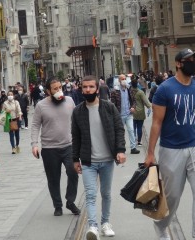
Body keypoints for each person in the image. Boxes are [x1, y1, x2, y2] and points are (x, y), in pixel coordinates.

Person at [144, 48, 195, 240]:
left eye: (194, 60)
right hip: (171, 149)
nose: (193, 63)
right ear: (178, 64)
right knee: (172, 197)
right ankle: (161, 225)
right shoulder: (165, 89)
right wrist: (150, 153)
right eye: (188, 60)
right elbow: (156, 122)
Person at [72, 75, 126, 240]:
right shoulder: (78, 111)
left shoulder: (108, 107)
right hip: (88, 161)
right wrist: (75, 159)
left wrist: (120, 149)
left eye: (91, 87)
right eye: (85, 87)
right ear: (81, 89)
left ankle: (105, 223)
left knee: (106, 193)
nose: (87, 90)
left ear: (97, 89)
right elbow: (76, 137)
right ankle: (93, 226)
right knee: (90, 194)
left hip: (107, 160)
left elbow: (119, 129)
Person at [31, 77, 80, 217]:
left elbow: (76, 121)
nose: (59, 91)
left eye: (60, 87)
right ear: (48, 91)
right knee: (53, 178)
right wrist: (34, 144)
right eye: (55, 89)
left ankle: (70, 201)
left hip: (69, 146)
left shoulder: (70, 101)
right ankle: (57, 206)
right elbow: (35, 126)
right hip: (49, 148)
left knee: (73, 173)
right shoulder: (41, 106)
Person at [111, 74, 140, 154]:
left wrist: (133, 107)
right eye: (122, 79)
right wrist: (115, 114)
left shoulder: (129, 89)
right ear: (119, 81)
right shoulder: (115, 91)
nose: (124, 80)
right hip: (119, 115)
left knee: (131, 129)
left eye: (125, 78)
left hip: (129, 114)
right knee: (120, 132)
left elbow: (134, 100)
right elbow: (112, 104)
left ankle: (133, 148)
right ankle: (121, 148)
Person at [130, 78, 151, 146]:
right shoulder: (140, 92)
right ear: (137, 84)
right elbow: (146, 101)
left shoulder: (130, 91)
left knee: (133, 127)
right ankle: (139, 142)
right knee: (139, 127)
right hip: (140, 111)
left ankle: (133, 141)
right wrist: (149, 107)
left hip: (132, 111)